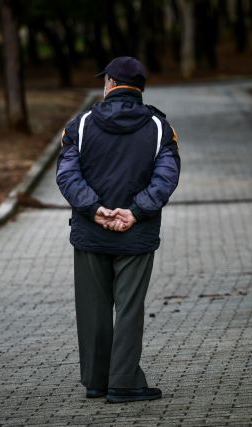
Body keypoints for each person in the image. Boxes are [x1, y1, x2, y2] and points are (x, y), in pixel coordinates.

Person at [56, 57, 180, 403]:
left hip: (90, 232)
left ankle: (96, 381)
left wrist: (94, 209)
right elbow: (166, 177)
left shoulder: (79, 126)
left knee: (93, 308)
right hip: (136, 233)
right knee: (129, 307)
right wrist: (135, 212)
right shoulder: (159, 127)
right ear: (140, 87)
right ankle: (123, 382)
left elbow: (66, 174)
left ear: (109, 82)